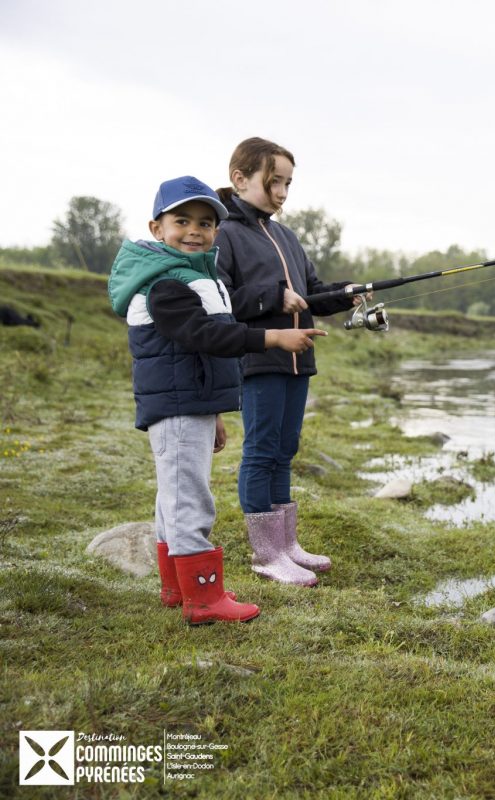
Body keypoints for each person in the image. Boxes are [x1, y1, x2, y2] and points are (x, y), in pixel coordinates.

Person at [108, 176, 327, 624]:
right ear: (156, 228)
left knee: (174, 496)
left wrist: (213, 413)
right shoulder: (165, 283)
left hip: (189, 403)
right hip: (176, 405)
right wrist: (272, 337)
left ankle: (176, 587)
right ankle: (204, 599)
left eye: (206, 224)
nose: (195, 231)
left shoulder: (193, 275)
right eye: (182, 221)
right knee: (189, 498)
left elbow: (198, 353)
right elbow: (206, 335)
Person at [214, 137, 365, 586]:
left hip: (300, 362)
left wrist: (346, 292)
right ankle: (265, 554)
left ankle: (286, 545)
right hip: (259, 359)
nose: (281, 193)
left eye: (288, 184)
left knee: (285, 450)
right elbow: (222, 299)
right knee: (260, 452)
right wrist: (273, 296)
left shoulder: (287, 236)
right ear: (240, 179)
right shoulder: (226, 235)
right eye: (273, 182)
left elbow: (313, 290)